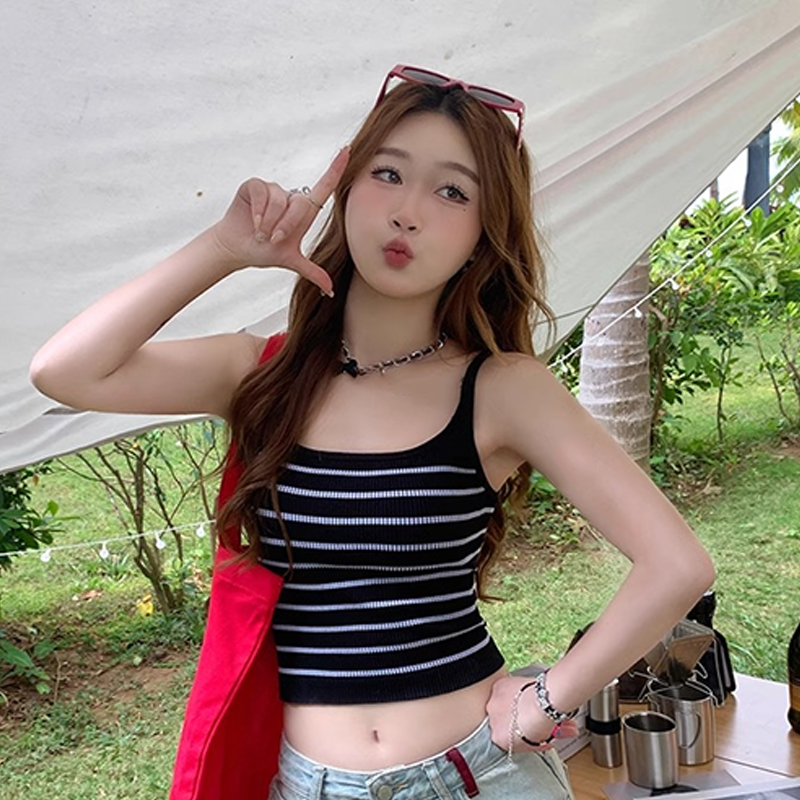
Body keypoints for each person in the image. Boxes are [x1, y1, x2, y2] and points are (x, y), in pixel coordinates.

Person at [30, 64, 715, 800]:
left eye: (453, 192)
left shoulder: (502, 388)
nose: (408, 212)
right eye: (388, 174)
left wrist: (550, 698)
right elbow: (66, 371)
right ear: (346, 190)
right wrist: (225, 248)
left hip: (478, 774)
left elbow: (677, 564)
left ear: (482, 235)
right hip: (311, 784)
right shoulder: (259, 373)